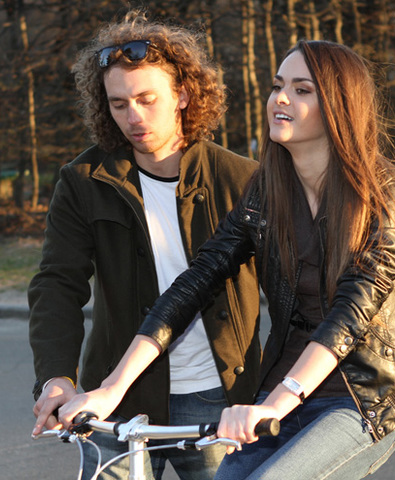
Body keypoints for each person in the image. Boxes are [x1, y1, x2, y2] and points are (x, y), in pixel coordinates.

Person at [58, 40, 395, 480]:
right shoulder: (269, 191)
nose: (281, 99)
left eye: (302, 90)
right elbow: (196, 282)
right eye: (277, 86)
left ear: (341, 106)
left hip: (364, 395)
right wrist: (111, 388)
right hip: (288, 386)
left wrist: (275, 403)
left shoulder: (383, 196)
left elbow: (349, 316)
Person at [28, 10, 261, 480]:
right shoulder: (83, 180)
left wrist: (276, 393)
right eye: (118, 104)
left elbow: (289, 293)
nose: (133, 117)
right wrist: (56, 377)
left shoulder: (242, 179)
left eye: (146, 99)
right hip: (114, 398)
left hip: (218, 399)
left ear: (183, 95)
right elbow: (57, 284)